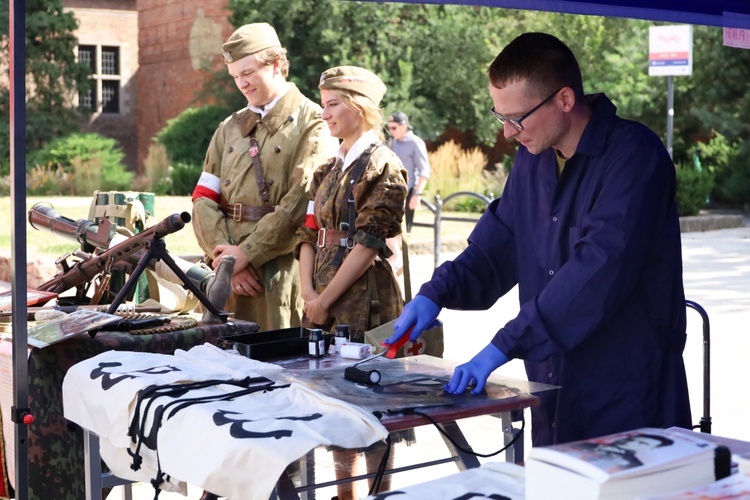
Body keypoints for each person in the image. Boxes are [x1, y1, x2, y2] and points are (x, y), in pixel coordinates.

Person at [385, 32, 692, 447]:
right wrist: (435, 292)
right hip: (551, 381)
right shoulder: (532, 161)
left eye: (517, 118)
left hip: (627, 388)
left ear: (564, 99)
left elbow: (597, 273)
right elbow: (497, 247)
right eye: (501, 118)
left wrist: (502, 346)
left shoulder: (634, 157)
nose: (509, 133)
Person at [295, 65, 408, 497]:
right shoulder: (329, 167)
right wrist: (309, 294)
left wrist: (324, 300)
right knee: (335, 405)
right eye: (323, 105)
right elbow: (307, 232)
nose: (325, 114)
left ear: (360, 107)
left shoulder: (383, 165)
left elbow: (367, 243)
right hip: (322, 297)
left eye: (333, 104)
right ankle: (345, 494)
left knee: (372, 412)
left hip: (364, 301)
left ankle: (376, 493)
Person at [192, 23, 337, 331]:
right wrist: (227, 261)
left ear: (275, 64)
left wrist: (247, 254)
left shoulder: (314, 123)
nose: (241, 84)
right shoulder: (228, 128)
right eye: (235, 77)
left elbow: (301, 199)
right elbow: (203, 198)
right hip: (227, 280)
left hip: (277, 276)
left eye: (248, 73)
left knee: (279, 367)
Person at [388, 111, 431, 233]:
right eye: (389, 127)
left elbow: (424, 170)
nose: (391, 131)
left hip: (409, 191)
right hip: (393, 192)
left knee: (404, 233)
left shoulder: (415, 142)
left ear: (404, 126)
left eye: (394, 127)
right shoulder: (394, 142)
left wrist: (417, 194)